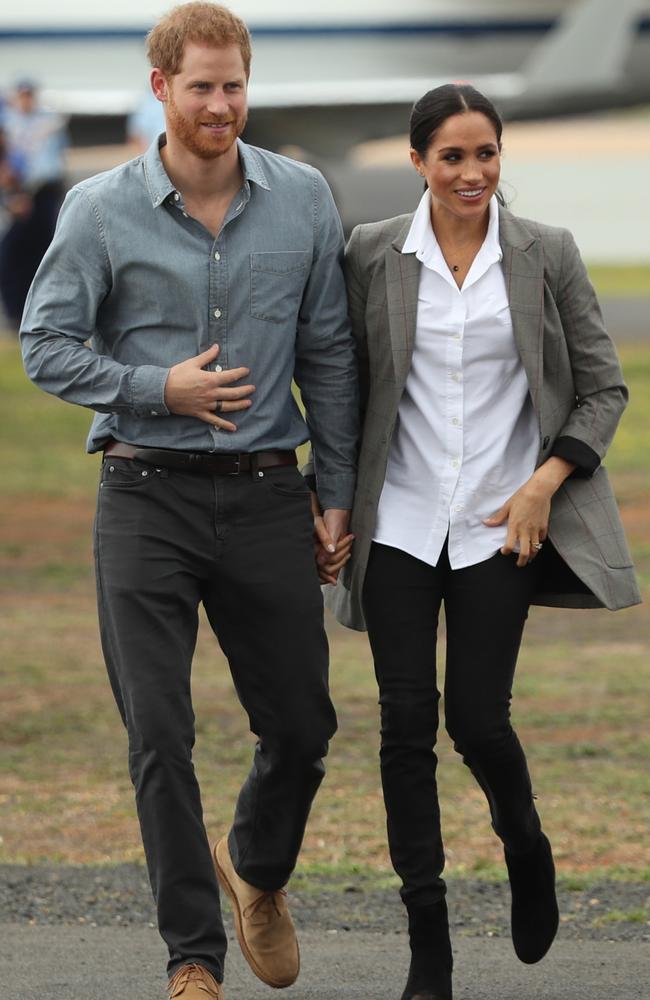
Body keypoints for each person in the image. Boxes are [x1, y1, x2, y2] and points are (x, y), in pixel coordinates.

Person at [20, 4, 357, 998]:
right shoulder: (97, 208)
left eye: (233, 86)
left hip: (264, 496)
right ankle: (193, 959)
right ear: (159, 86)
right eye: (201, 86)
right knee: (158, 733)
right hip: (143, 495)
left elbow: (329, 355)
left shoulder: (301, 198)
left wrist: (333, 493)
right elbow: (47, 345)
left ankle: (253, 866)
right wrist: (151, 386)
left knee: (301, 726)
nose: (219, 105)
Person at [318, 83, 641, 1000]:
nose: (472, 172)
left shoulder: (548, 253)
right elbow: (342, 385)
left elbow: (602, 390)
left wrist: (545, 483)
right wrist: (330, 498)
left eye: (486, 154)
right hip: (401, 526)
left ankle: (525, 845)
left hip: (504, 528)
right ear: (417, 161)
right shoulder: (372, 253)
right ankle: (431, 945)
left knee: (477, 722)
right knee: (404, 729)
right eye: (452, 156)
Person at [0, 79, 67, 329]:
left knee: (44, 253)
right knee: (13, 252)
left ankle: (42, 312)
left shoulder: (46, 121)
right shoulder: (9, 123)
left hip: (44, 191)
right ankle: (16, 312)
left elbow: (57, 158)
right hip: (19, 192)